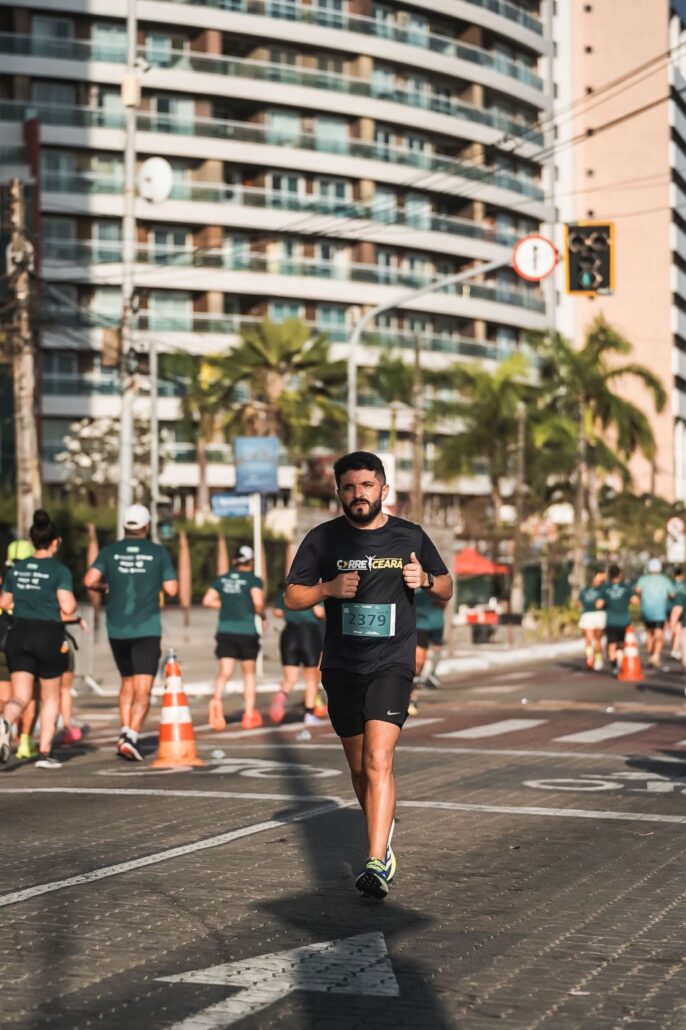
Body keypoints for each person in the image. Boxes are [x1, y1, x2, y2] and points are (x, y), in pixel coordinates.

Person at [285, 451, 453, 899]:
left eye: (366, 485)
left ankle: (376, 861)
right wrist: (326, 588)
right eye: (349, 487)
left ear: (383, 489)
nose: (358, 494)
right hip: (342, 665)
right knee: (360, 769)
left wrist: (426, 580)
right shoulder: (323, 539)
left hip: (392, 663)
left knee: (379, 760)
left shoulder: (409, 535)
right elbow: (292, 596)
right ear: (339, 492)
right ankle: (382, 833)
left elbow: (447, 587)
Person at [84, 503, 178, 761]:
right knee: (143, 686)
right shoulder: (158, 553)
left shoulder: (109, 552)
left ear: (124, 526)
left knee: (126, 681)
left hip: (117, 628)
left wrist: (107, 586)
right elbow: (172, 589)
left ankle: (125, 731)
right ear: (147, 526)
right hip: (146, 627)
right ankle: (132, 736)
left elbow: (89, 580)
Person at [0, 511, 79, 769]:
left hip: (18, 634)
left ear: (33, 542)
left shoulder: (17, 569)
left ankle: (4, 722)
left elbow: (4, 602)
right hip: (47, 634)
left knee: (21, 697)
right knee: (50, 696)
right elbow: (68, 606)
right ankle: (44, 753)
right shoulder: (59, 570)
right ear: (56, 542)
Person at [203, 544, 266, 731]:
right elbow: (258, 603)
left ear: (234, 561)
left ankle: (216, 700)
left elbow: (207, 601)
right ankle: (249, 714)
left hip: (225, 631)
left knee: (225, 671)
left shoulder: (223, 579)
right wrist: (262, 617)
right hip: (246, 632)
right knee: (249, 673)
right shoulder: (253, 580)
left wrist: (225, 604)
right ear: (251, 562)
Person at [269, 585, 325, 727]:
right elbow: (319, 613)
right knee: (311, 678)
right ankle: (309, 714)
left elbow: (277, 612)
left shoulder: (287, 590)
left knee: (290, 677)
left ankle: (282, 694)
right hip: (308, 634)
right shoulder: (313, 590)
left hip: (288, 633)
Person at [633, 558, 674, 668]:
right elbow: (672, 594)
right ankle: (655, 655)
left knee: (649, 633)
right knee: (659, 633)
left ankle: (650, 655)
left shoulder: (643, 579)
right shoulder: (665, 580)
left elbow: (637, 590)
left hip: (646, 610)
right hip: (660, 611)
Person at [597, 564, 634, 675]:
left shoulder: (605, 588)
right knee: (621, 644)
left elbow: (599, 604)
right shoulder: (626, 587)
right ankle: (620, 664)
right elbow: (635, 600)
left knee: (612, 644)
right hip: (624, 620)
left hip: (611, 620)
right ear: (620, 574)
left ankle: (614, 667)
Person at [577, 571, 607, 671]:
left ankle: (598, 659)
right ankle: (590, 658)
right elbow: (579, 602)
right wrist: (580, 605)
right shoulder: (584, 590)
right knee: (588, 638)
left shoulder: (602, 589)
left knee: (597, 639)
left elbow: (602, 603)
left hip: (599, 615)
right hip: (587, 615)